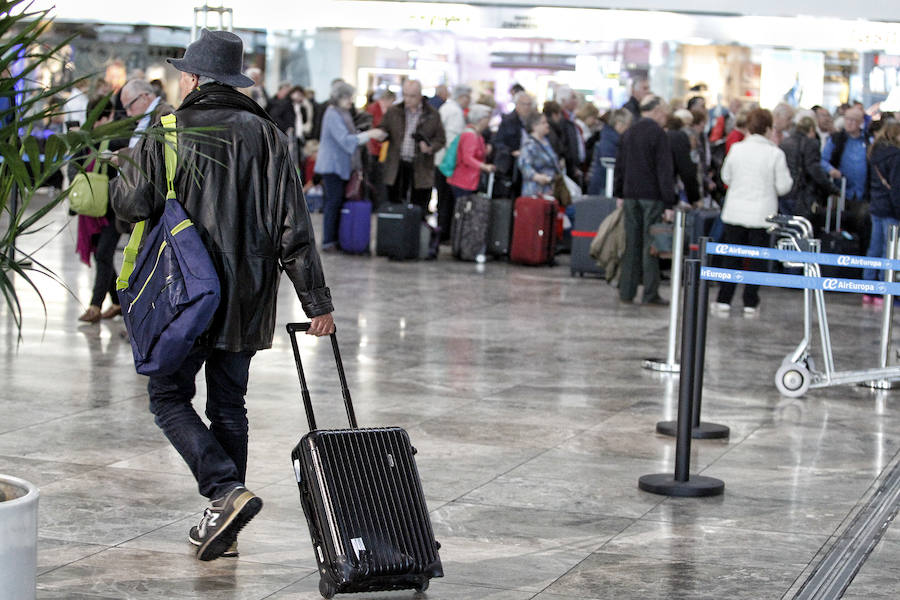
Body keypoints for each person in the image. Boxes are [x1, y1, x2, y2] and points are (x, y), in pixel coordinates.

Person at [111, 28, 335, 562]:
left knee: (167, 397)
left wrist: (124, 167)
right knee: (229, 404)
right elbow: (293, 226)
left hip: (182, 292)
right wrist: (316, 300)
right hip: (248, 295)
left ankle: (224, 492)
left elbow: (130, 207)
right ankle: (226, 526)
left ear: (191, 78)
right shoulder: (269, 135)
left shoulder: (167, 129)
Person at [713, 109, 793, 314]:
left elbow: (726, 177)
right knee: (757, 259)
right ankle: (750, 301)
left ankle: (724, 298)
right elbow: (783, 186)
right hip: (762, 214)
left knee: (731, 256)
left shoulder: (737, 149)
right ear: (768, 128)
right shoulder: (775, 153)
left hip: (735, 211)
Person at [613, 94, 674, 306]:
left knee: (631, 245)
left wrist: (619, 193)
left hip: (630, 195)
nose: (665, 118)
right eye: (665, 113)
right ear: (657, 110)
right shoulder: (658, 134)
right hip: (652, 197)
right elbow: (664, 170)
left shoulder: (629, 132)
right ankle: (650, 293)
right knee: (651, 247)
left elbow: (620, 166)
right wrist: (669, 202)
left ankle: (626, 291)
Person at [74, 97, 128, 323]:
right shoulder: (87, 141)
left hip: (112, 211)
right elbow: (74, 168)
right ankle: (118, 303)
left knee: (104, 255)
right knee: (101, 256)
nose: (96, 124)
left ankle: (95, 306)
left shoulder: (116, 141)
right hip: (92, 210)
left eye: (100, 119)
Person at [314, 81, 386, 251]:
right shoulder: (333, 114)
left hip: (341, 165)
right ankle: (328, 241)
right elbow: (346, 140)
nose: (350, 101)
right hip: (333, 166)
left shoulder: (343, 113)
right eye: (347, 97)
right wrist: (370, 134)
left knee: (337, 202)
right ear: (338, 98)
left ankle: (336, 238)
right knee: (333, 202)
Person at [380, 79, 446, 213]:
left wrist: (430, 147)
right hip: (396, 166)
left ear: (420, 95)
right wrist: (380, 134)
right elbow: (383, 129)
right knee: (395, 205)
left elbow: (440, 139)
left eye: (412, 96)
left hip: (421, 167)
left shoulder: (432, 114)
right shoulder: (394, 111)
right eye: (405, 95)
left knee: (418, 206)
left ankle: (415, 232)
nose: (408, 99)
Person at [822, 104, 869, 251]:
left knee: (862, 226)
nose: (849, 123)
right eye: (847, 119)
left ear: (861, 122)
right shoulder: (837, 139)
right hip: (840, 192)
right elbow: (823, 160)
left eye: (853, 120)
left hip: (862, 193)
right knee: (839, 225)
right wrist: (831, 170)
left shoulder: (868, 141)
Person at [862, 121, 900, 302]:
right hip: (891, 209)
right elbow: (896, 188)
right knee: (889, 251)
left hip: (876, 206)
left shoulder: (873, 152)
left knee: (874, 247)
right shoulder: (896, 156)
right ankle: (885, 288)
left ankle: (868, 288)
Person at [778, 116, 838, 219]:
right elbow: (814, 170)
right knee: (801, 227)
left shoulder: (784, 142)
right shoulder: (811, 143)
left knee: (785, 226)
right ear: (811, 129)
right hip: (801, 194)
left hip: (784, 193)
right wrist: (832, 188)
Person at [435, 84, 472, 240]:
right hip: (447, 163)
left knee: (442, 199)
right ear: (462, 97)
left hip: (439, 160)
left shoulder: (446, 108)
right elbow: (453, 141)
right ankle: (444, 233)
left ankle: (441, 231)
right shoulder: (455, 113)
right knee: (446, 200)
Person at [446, 104, 495, 197]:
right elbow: (467, 158)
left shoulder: (477, 134)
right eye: (488, 117)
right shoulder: (471, 135)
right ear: (481, 119)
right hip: (463, 180)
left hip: (468, 180)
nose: (489, 120)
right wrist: (484, 166)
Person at [493, 92, 535, 197]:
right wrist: (512, 152)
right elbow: (498, 142)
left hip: (527, 165)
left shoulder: (531, 122)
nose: (526, 107)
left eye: (529, 104)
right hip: (511, 167)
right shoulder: (508, 120)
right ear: (517, 104)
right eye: (524, 104)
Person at [119, 78, 175, 149]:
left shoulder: (164, 114)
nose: (128, 113)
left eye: (129, 106)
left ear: (144, 98)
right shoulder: (154, 114)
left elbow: (153, 152)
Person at [588, 108, 631, 196]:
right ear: (619, 124)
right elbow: (609, 161)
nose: (629, 129)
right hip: (604, 186)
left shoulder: (609, 137)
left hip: (604, 185)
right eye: (627, 125)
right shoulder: (609, 139)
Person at [517, 112, 560, 198]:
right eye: (543, 123)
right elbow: (524, 165)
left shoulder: (546, 141)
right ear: (534, 126)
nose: (547, 125)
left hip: (549, 190)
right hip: (535, 191)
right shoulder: (529, 143)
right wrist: (537, 177)